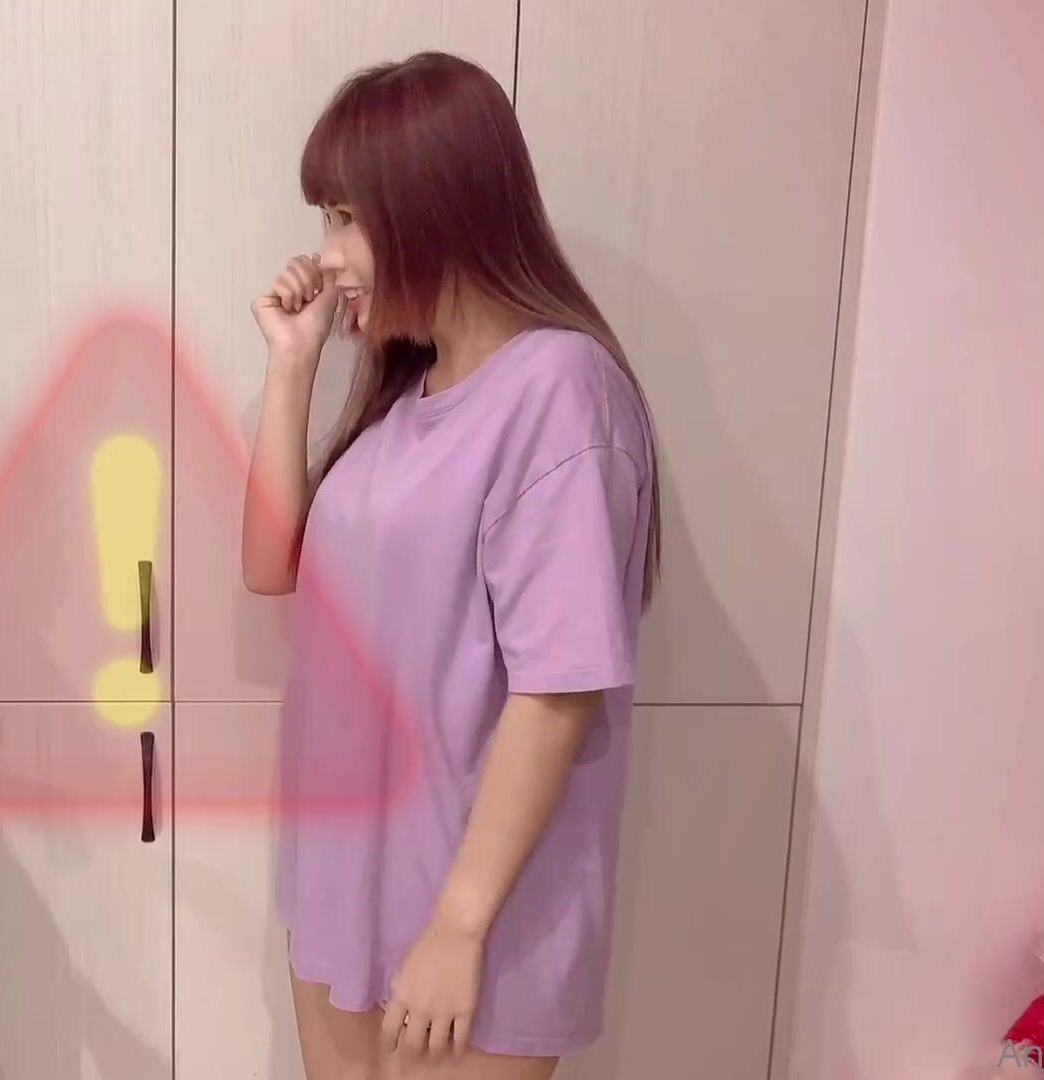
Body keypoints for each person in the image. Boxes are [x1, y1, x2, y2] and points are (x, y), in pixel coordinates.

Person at [243, 52, 662, 1079]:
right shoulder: (405, 395)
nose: (327, 254)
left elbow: (558, 690)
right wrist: (293, 365)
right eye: (325, 218)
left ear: (433, 203)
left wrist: (459, 927)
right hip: (344, 889)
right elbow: (270, 565)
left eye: (347, 216)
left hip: (472, 924)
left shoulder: (560, 390)